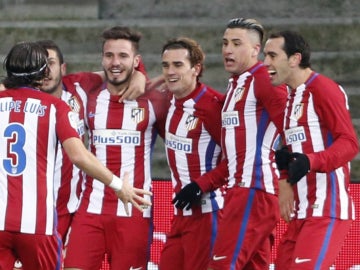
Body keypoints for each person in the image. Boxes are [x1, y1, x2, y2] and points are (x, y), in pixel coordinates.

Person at [0, 41, 151, 270]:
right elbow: (79, 156)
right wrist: (119, 184)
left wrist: (139, 74)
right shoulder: (55, 107)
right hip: (37, 223)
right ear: (42, 73)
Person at [175, 18, 288, 269]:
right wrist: (201, 184)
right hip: (242, 191)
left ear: (255, 50)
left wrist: (289, 175)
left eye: (237, 43)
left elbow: (291, 126)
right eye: (225, 43)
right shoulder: (237, 85)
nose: (227, 49)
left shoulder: (263, 79)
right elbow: (236, 155)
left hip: (254, 191)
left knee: (221, 265)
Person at [63, 26, 168, 270]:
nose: (115, 62)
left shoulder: (155, 100)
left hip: (134, 214)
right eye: (109, 55)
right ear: (102, 59)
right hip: (90, 210)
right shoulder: (87, 95)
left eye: (123, 56)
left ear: (136, 61)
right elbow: (55, 82)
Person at [36, 39, 148, 245]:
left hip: (71, 208)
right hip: (33, 210)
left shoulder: (79, 86)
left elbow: (116, 70)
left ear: (62, 68)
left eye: (50, 63)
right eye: (37, 65)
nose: (44, 71)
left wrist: (140, 72)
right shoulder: (19, 98)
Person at [263, 30, 359, 270]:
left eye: (273, 56)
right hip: (300, 212)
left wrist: (311, 161)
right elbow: (289, 148)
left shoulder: (324, 89)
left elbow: (349, 143)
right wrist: (285, 177)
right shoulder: (290, 97)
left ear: (294, 59)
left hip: (326, 209)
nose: (266, 63)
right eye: (266, 55)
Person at [158, 37, 225, 270]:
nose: (169, 71)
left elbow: (238, 159)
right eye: (165, 65)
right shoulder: (169, 100)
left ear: (196, 69)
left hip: (209, 213)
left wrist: (201, 185)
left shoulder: (212, 106)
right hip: (181, 212)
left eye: (178, 65)